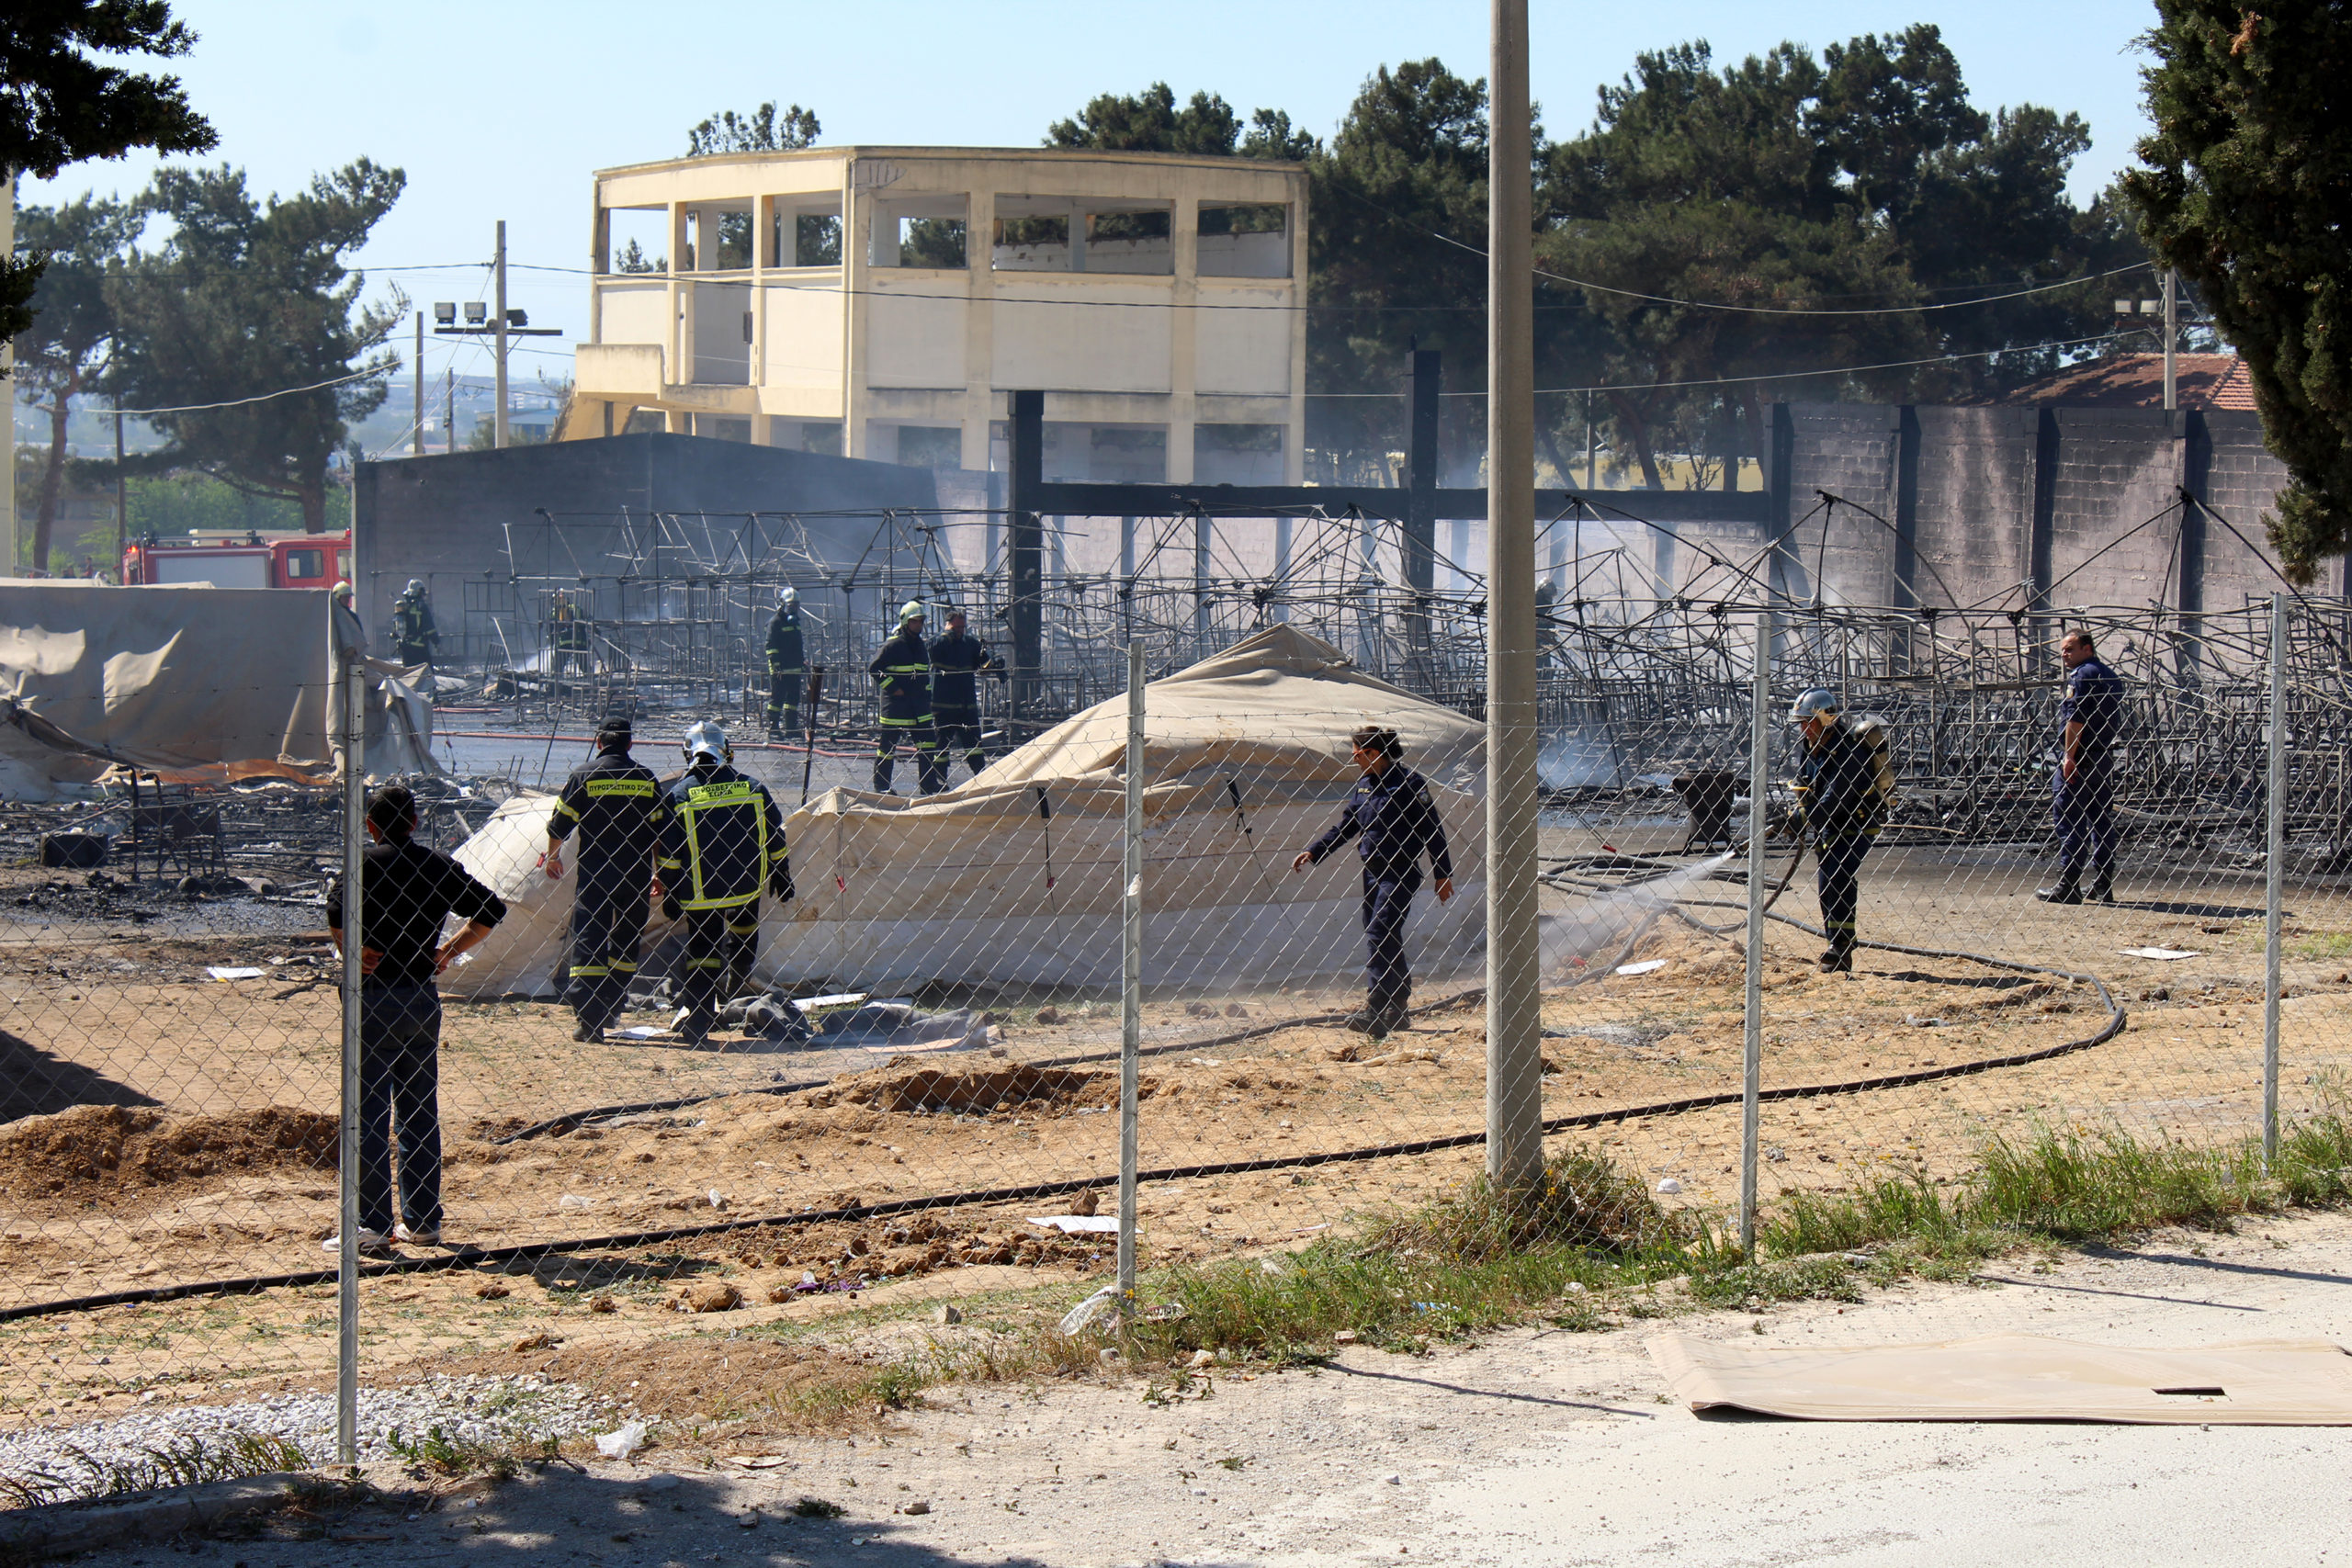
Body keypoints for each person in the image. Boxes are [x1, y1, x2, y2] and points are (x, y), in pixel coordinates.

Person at [323, 784, 506, 1255]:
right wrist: (447, 950)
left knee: (367, 1114)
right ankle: (423, 1222)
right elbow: (491, 910)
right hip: (421, 998)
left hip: (372, 998)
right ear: (415, 822)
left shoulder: (361, 864)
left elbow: (336, 914)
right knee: (419, 1113)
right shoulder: (437, 865)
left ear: (370, 825)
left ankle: (371, 1225)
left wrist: (353, 949)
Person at [1291, 725, 1455, 1036]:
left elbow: (1432, 829)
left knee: (1381, 931)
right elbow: (1347, 826)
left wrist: (1442, 874)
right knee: (1383, 933)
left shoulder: (1409, 783)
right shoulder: (1365, 785)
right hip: (1373, 872)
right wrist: (1315, 851)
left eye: (1356, 754)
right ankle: (1398, 1004)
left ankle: (1376, 1008)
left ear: (1373, 753)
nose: (1353, 759)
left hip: (1401, 871)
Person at [653, 720, 794, 1045]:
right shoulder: (753, 788)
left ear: (687, 754)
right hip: (746, 884)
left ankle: (700, 1016)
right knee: (744, 933)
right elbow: (775, 836)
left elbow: (670, 855)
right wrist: (781, 873)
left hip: (701, 891)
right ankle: (736, 986)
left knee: (703, 950)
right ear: (728, 752)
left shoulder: (679, 795)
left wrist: (671, 890)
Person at [543, 716, 662, 1043]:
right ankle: (611, 1004)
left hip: (596, 874)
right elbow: (659, 831)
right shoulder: (646, 778)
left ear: (598, 743)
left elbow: (559, 823)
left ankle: (589, 1020)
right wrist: (659, 872)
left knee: (589, 940)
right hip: (635, 874)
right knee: (626, 940)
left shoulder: (584, 775)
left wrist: (553, 856)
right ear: (630, 743)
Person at [1790, 688, 1883, 974]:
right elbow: (1805, 785)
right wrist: (1793, 816)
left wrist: (1802, 818)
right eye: (1802, 724)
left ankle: (1842, 946)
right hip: (1828, 826)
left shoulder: (1849, 752)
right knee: (1826, 886)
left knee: (1839, 876)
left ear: (1825, 720)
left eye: (1808, 722)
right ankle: (1837, 945)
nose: (1804, 729)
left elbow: (1834, 799)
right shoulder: (1811, 749)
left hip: (1857, 824)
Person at [2039, 629, 2126, 905]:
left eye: (2070, 649)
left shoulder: (2081, 676)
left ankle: (2069, 885)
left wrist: (2069, 756)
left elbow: (2075, 719)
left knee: (2070, 820)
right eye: (2063, 650)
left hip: (2081, 757)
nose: (2064, 654)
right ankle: (2102, 884)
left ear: (2087, 649)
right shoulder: (2111, 676)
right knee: (2101, 820)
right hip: (2102, 757)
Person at [869, 601, 943, 795]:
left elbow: (923, 676)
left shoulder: (921, 646)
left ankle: (928, 784)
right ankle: (882, 785)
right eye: (914, 621)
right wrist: (893, 688)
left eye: (921, 621)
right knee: (888, 747)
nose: (918, 625)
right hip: (897, 706)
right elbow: (874, 669)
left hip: (919, 706)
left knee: (927, 744)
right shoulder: (892, 645)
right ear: (905, 622)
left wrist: (927, 697)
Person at [927, 604, 1004, 784]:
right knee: (941, 745)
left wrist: (994, 663)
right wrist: (947, 635)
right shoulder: (938, 642)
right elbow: (930, 649)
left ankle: (981, 779)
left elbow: (984, 661)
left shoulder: (969, 644)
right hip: (943, 706)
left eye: (962, 627)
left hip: (966, 706)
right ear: (947, 625)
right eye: (956, 628)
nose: (960, 631)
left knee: (974, 745)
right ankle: (939, 780)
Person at [764, 587, 807, 739]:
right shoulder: (775, 622)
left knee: (793, 699)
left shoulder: (795, 623)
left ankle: (791, 728)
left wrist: (802, 662)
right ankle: (773, 728)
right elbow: (770, 646)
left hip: (794, 668)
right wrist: (776, 665)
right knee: (777, 698)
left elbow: (798, 645)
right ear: (783, 604)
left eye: (796, 605)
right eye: (791, 605)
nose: (794, 608)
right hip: (780, 669)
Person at [392, 580, 439, 672]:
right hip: (420, 648)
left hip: (405, 647)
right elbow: (430, 627)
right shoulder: (422, 606)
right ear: (420, 592)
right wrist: (436, 642)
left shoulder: (404, 606)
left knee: (409, 674)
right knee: (427, 674)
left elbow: (397, 625)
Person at [549, 591, 590, 682]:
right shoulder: (576, 608)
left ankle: (556, 683)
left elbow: (551, 629)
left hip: (565, 642)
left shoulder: (554, 612)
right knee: (584, 666)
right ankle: (590, 680)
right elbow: (584, 622)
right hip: (578, 641)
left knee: (558, 667)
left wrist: (552, 641)